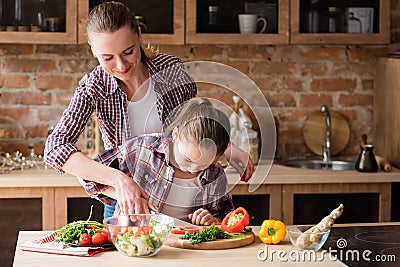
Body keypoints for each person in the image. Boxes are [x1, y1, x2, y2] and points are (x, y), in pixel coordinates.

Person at [44, 1, 253, 218]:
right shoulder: (94, 87)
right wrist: (119, 180)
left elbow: (196, 122)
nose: (121, 66)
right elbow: (55, 148)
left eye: (128, 52)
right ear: (93, 50)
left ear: (139, 36)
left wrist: (227, 148)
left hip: (179, 201)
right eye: (107, 58)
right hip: (127, 205)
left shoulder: (170, 71)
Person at [83, 98, 234, 224]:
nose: (193, 170)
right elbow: (87, 176)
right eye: (187, 160)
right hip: (135, 241)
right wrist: (124, 194)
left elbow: (227, 217)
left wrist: (213, 219)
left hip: (186, 250)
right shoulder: (142, 149)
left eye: (203, 166)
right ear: (175, 135)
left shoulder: (215, 173)